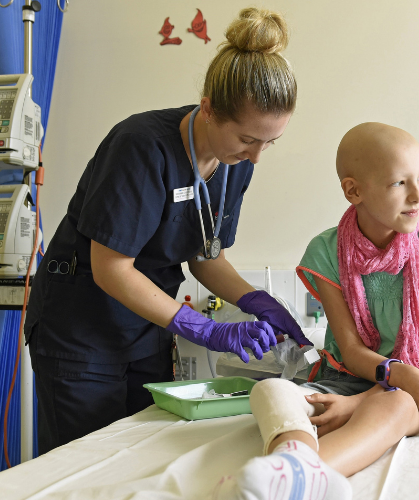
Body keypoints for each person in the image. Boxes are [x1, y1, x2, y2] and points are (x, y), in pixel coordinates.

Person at [24, 7, 311, 455]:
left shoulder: (234, 165)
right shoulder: (140, 146)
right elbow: (110, 268)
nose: (257, 156)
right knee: (85, 468)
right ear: (210, 108)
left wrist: (256, 300)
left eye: (269, 142)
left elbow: (205, 254)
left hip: (145, 331)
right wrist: (205, 329)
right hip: (80, 331)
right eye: (248, 139)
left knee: (143, 457)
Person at [214, 123, 419, 500]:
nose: (418, 195)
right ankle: (293, 456)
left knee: (397, 403)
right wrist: (350, 397)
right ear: (354, 191)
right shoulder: (327, 252)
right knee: (272, 390)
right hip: (346, 377)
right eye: (400, 183)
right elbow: (349, 351)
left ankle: (302, 479)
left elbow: (415, 362)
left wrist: (357, 405)